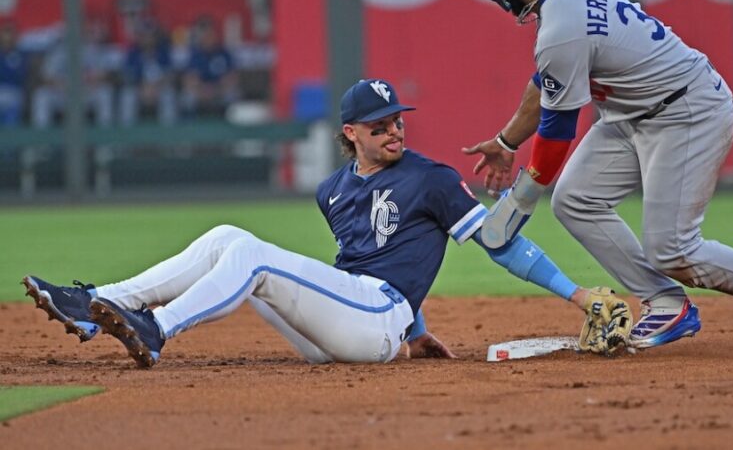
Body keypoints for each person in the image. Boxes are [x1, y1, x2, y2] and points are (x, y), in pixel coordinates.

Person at [23, 78, 630, 368]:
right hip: (345, 327)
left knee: (251, 254)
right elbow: (362, 263)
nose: (395, 129)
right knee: (227, 238)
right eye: (380, 124)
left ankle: (154, 329)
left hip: (378, 318)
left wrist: (577, 295)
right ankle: (95, 304)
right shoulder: (331, 189)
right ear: (351, 134)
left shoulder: (432, 177)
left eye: (398, 119)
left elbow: (501, 247)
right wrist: (421, 335)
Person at [463, 0, 733, 356]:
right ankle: (666, 302)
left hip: (688, 111)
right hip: (635, 113)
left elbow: (557, 134)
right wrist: (505, 143)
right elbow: (545, 86)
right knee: (575, 199)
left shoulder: (560, 28)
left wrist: (520, 201)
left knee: (671, 247)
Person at [31, 18, 114, 128]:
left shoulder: (91, 49)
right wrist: (59, 84)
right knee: (42, 95)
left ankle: (105, 140)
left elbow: (103, 73)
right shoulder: (58, 51)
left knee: (105, 92)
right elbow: (46, 76)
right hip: (62, 94)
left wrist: (92, 79)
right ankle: (40, 142)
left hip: (86, 93)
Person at [118, 19, 178, 126]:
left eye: (150, 35)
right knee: (128, 95)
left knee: (168, 95)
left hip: (159, 88)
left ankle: (168, 139)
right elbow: (127, 75)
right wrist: (141, 87)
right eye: (144, 35)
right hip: (139, 89)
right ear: (139, 37)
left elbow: (170, 74)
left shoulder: (163, 51)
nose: (148, 38)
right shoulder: (133, 53)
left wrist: (157, 86)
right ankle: (127, 138)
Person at [180, 16, 240, 118]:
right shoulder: (195, 54)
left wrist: (216, 89)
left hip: (220, 89)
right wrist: (202, 89)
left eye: (211, 34)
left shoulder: (223, 53)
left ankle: (228, 123)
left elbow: (232, 77)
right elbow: (190, 79)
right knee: (188, 97)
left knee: (232, 94)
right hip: (200, 90)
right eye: (206, 35)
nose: (209, 38)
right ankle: (191, 124)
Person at [0, 20, 28, 127]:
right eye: (5, 33)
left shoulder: (21, 55)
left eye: (11, 33)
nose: (8, 37)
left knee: (12, 106)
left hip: (14, 92)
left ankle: (9, 143)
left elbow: (19, 76)